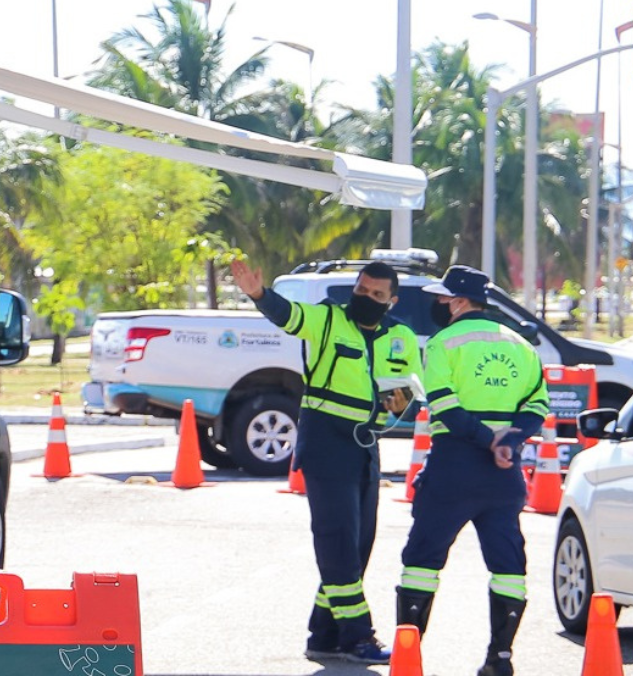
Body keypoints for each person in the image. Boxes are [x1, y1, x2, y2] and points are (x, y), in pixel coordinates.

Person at [230, 257, 421, 665]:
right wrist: (258, 294)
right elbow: (288, 315)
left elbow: (407, 391)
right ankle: (357, 636)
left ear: (391, 299)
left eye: (376, 294)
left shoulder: (400, 336)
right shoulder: (328, 320)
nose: (366, 298)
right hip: (325, 444)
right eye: (361, 289)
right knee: (337, 543)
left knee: (358, 545)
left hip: (365, 446)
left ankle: (324, 633)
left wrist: (390, 413)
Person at [396, 265, 549, 676]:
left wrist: (487, 440)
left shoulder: (445, 342)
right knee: (508, 567)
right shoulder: (522, 346)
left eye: (443, 298)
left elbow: (444, 406)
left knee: (422, 560)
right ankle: (500, 658)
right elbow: (537, 407)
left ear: (459, 302)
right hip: (505, 476)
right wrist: (509, 442)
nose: (439, 305)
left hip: (454, 468)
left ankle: (408, 658)